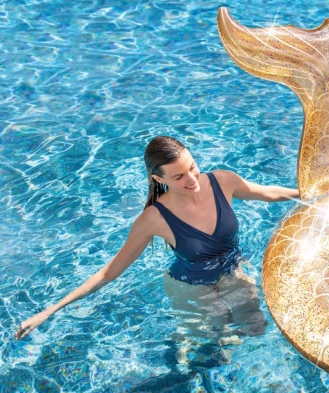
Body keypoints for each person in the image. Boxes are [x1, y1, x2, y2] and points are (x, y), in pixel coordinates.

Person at [15, 136, 299, 346]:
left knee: (256, 328)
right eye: (179, 176)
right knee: (219, 344)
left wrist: (309, 192)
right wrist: (50, 311)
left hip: (232, 270)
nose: (192, 179)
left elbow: (269, 193)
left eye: (192, 167)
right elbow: (108, 273)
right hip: (193, 287)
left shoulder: (223, 181)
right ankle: (183, 346)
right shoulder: (153, 219)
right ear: (158, 178)